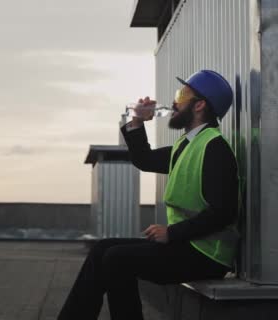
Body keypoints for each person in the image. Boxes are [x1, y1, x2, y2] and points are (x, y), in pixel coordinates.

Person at [58, 70, 240, 320]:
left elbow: (224, 212)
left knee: (117, 259)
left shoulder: (214, 147)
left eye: (183, 94)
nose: (175, 101)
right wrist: (137, 123)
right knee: (102, 249)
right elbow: (144, 159)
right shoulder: (185, 146)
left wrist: (171, 233)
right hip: (186, 246)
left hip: (206, 254)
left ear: (199, 105)